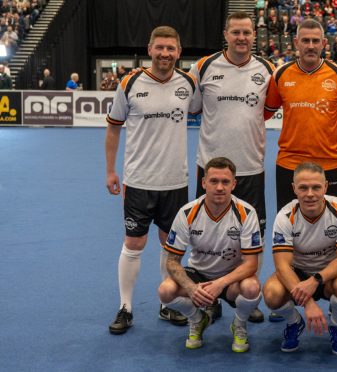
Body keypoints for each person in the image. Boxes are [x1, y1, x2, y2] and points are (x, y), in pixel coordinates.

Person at [105, 26, 202, 335]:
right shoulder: (130, 82)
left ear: (179, 51)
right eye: (159, 47)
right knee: (134, 242)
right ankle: (125, 307)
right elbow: (113, 128)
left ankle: (167, 303)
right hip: (139, 180)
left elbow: (206, 111)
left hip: (175, 181)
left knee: (169, 245)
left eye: (171, 48)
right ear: (149, 49)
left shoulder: (188, 84)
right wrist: (110, 171)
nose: (165, 53)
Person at [190, 11, 275, 324]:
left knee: (254, 235)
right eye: (236, 32)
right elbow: (193, 107)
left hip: (251, 168)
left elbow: (267, 110)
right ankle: (205, 294)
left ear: (254, 35)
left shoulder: (267, 70)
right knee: (206, 232)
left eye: (247, 33)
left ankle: (246, 298)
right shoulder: (203, 67)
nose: (242, 38)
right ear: (225, 34)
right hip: (210, 168)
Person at [158, 157, 263, 352]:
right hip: (199, 275)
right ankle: (198, 319)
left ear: (234, 184)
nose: (220, 187)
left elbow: (251, 265)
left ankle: (239, 324)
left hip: (231, 278)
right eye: (214, 181)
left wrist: (220, 283)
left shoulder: (247, 213)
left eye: (225, 182)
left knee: (252, 288)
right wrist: (190, 287)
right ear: (204, 182)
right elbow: (172, 261)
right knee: (165, 291)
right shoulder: (187, 212)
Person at [263, 162, 337, 355]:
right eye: (303, 188)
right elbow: (282, 266)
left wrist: (316, 280)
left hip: (329, 273)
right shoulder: (285, 216)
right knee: (272, 293)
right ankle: (294, 322)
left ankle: (336, 325)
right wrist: (308, 303)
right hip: (297, 273)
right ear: (294, 189)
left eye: (316, 187)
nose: (310, 194)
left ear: (326, 187)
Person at [264, 19, 337, 211]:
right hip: (289, 163)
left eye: (316, 41)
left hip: (330, 163)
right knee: (288, 226)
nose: (311, 46)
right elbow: (263, 113)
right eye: (306, 41)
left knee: (332, 227)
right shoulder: (280, 74)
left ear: (324, 43)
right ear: (296, 43)